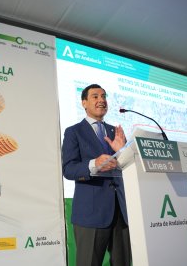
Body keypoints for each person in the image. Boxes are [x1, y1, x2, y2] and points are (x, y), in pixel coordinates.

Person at [62, 84, 131, 266]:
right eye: (95, 96)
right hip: (91, 213)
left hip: (120, 212)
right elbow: (68, 169)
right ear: (84, 103)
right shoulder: (73, 132)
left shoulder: (115, 133)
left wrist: (122, 151)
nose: (101, 100)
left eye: (104, 96)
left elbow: (124, 167)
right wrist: (94, 164)